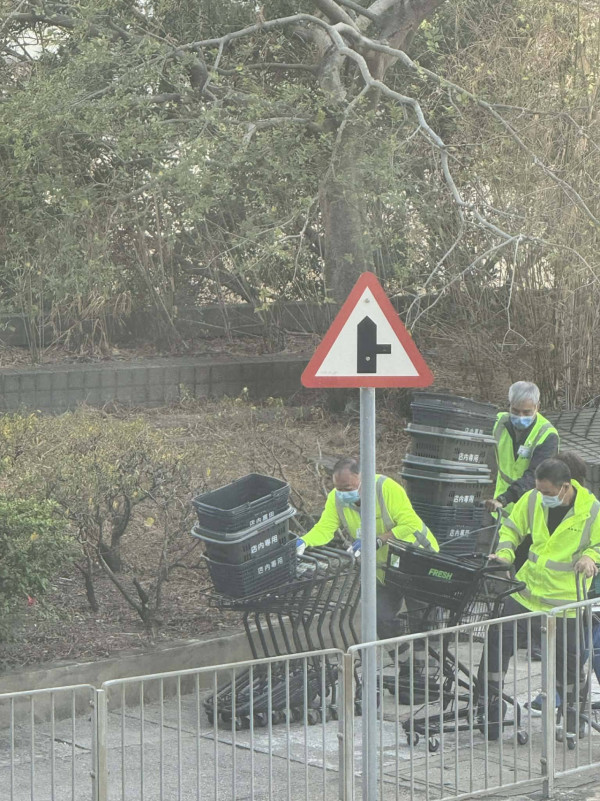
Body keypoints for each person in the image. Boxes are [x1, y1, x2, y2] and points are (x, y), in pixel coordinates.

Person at [479, 457, 600, 740]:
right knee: (498, 641)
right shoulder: (533, 499)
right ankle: (490, 706)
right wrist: (505, 554)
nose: (541, 496)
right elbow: (511, 529)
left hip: (565, 603)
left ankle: (572, 718)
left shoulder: (592, 511)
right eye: (539, 490)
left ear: (565, 487)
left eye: (547, 492)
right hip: (527, 594)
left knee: (568, 665)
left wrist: (590, 557)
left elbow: (598, 544)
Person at [298, 456, 439, 642]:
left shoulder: (385, 488)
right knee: (379, 619)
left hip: (416, 561)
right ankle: (405, 664)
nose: (342, 493)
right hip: (382, 569)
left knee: (423, 621)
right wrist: (304, 541)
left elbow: (410, 523)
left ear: (363, 479)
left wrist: (378, 540)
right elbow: (325, 528)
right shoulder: (336, 498)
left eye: (347, 489)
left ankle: (427, 666)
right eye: (337, 488)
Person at [485, 381, 559, 570]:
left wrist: (506, 497)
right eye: (516, 411)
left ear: (537, 407)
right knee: (501, 556)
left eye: (527, 412)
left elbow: (535, 475)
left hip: (532, 508)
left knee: (523, 563)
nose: (520, 416)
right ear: (509, 406)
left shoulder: (546, 434)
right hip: (502, 510)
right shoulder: (499, 423)